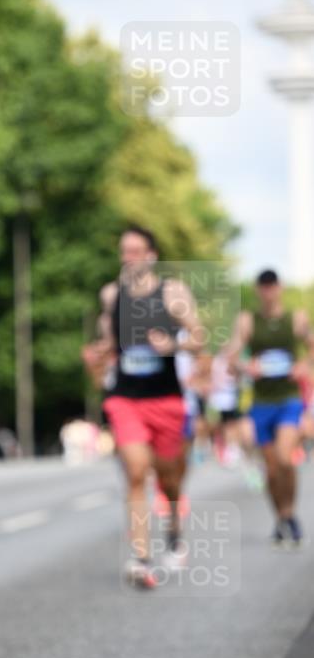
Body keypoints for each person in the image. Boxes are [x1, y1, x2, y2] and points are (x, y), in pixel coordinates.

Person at [90, 225, 205, 587]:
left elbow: (199, 337)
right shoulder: (111, 295)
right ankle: (142, 557)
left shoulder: (172, 292)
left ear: (152, 256)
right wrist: (101, 350)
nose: (129, 258)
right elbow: (110, 340)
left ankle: (173, 529)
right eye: (125, 252)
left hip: (166, 400)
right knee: (136, 470)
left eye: (136, 251)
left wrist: (173, 345)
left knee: (169, 477)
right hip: (126, 399)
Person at [226, 269, 313, 547]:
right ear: (258, 290)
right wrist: (245, 366)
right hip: (261, 402)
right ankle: (281, 517)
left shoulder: (295, 318)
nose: (268, 291)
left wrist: (304, 365)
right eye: (263, 287)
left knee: (286, 458)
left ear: (280, 288)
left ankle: (290, 513)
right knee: (272, 468)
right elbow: (232, 358)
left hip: (288, 398)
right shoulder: (248, 321)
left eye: (272, 286)